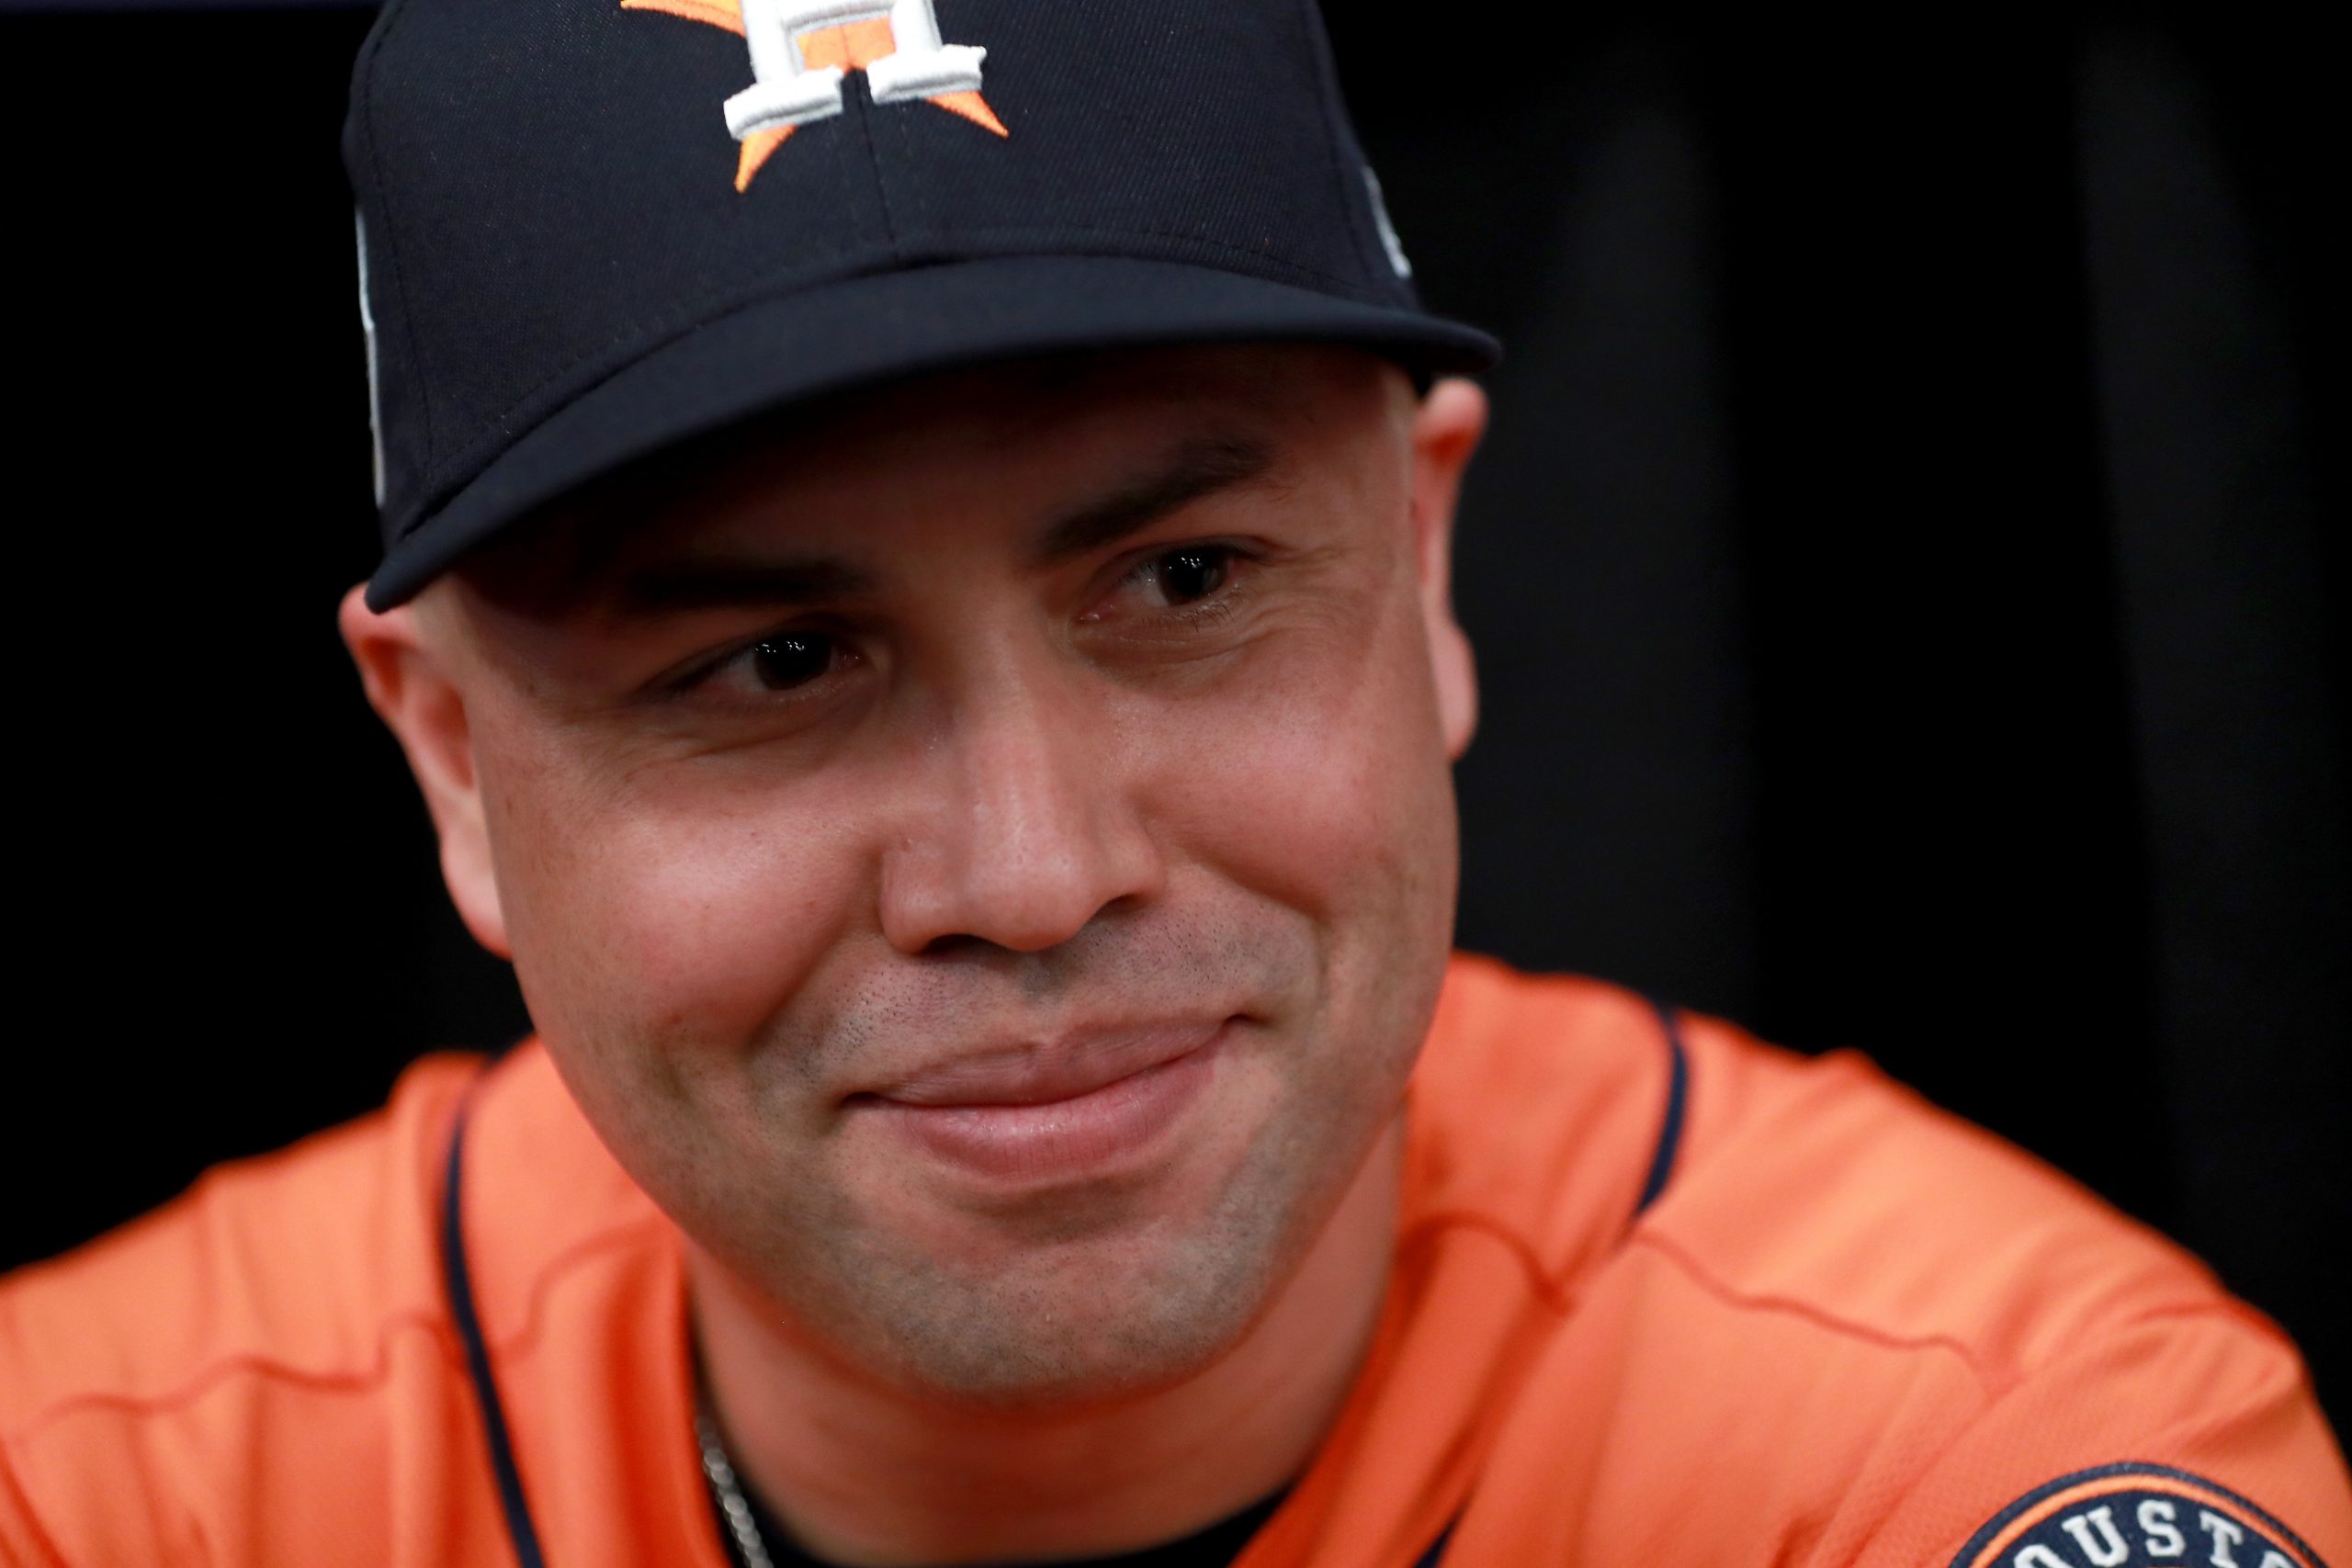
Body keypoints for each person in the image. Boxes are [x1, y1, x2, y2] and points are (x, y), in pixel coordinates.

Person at [3, 0, 2346, 1563]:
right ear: (455, 767)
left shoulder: (1939, 1459)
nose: (1030, 874)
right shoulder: (121, 1480)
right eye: (778, 657)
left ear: (1424, 562)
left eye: (1184, 579)